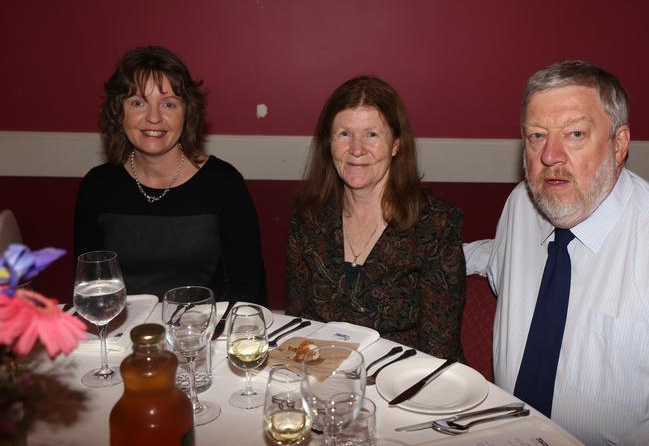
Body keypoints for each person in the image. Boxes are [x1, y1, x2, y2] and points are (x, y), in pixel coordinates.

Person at [464, 60, 649, 445]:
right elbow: (495, 257)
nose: (550, 156)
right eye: (536, 136)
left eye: (575, 134)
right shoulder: (522, 206)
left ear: (619, 145)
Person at [285, 76, 466, 359]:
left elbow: (438, 349)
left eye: (372, 134)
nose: (357, 149)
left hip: (406, 387)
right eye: (344, 134)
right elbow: (299, 326)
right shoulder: (309, 218)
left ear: (395, 144)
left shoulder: (436, 224)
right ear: (328, 143)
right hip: (324, 383)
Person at [74, 46, 266, 304]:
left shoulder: (223, 184)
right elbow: (91, 286)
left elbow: (247, 289)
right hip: (122, 337)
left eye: (168, 104)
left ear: (186, 113)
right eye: (138, 102)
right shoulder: (97, 186)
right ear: (119, 113)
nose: (154, 117)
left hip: (205, 334)